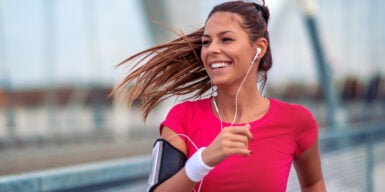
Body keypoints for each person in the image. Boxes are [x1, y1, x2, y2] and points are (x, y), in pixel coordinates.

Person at [112, 0, 326, 191]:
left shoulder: (296, 120)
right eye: (206, 42)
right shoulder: (182, 118)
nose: (211, 49)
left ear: (259, 48)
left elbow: (313, 183)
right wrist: (202, 162)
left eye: (226, 39)